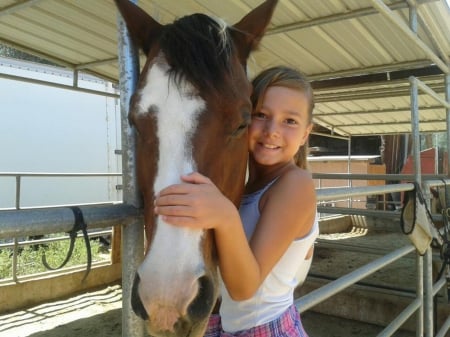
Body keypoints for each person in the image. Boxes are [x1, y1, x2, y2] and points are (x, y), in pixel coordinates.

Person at [154, 65, 319, 337]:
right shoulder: (248, 188)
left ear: (305, 133)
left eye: (289, 121)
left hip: (265, 329)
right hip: (231, 327)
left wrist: (224, 215)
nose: (272, 130)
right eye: (261, 115)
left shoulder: (296, 184)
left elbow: (244, 290)